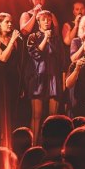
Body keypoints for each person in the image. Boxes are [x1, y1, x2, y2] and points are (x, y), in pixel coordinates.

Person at [25, 9, 65, 142]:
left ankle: (50, 145)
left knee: (53, 117)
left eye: (49, 19)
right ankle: (33, 145)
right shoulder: (33, 37)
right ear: (38, 21)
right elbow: (35, 54)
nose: (47, 22)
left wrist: (63, 82)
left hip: (53, 79)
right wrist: (46, 37)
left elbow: (62, 61)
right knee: (36, 116)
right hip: (38, 78)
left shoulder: (57, 39)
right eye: (44, 19)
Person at [0, 12, 23, 134]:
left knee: (12, 112)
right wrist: (12, 41)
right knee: (0, 112)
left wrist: (21, 84)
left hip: (13, 79)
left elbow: (16, 62)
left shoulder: (14, 42)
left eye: (11, 22)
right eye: (7, 22)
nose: (10, 24)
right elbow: (3, 58)